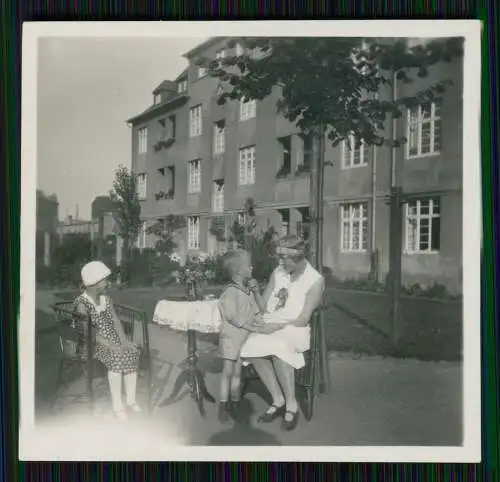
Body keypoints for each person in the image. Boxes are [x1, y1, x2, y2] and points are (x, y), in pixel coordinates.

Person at [241, 235, 325, 431]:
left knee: (278, 346)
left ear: (296, 257)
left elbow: (304, 318)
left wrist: (277, 327)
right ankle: (277, 399)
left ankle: (291, 404)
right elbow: (263, 308)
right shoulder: (278, 273)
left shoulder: (315, 280)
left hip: (294, 329)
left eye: (283, 258)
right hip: (271, 325)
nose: (279, 262)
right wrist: (255, 291)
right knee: (249, 346)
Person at [217, 249, 284, 424]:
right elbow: (232, 316)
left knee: (238, 373)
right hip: (231, 338)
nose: (252, 267)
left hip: (243, 339)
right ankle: (223, 405)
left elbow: (255, 311)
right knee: (228, 372)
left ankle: (236, 402)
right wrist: (254, 328)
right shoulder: (231, 292)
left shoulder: (246, 290)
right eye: (249, 265)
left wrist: (261, 323)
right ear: (239, 271)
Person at [73, 261, 142, 421]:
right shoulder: (82, 303)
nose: (108, 283)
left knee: (131, 352)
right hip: (92, 343)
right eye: (105, 280)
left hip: (111, 339)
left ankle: (131, 400)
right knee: (117, 357)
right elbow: (88, 333)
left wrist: (124, 341)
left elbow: (116, 321)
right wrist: (111, 345)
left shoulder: (106, 299)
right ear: (94, 283)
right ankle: (117, 406)